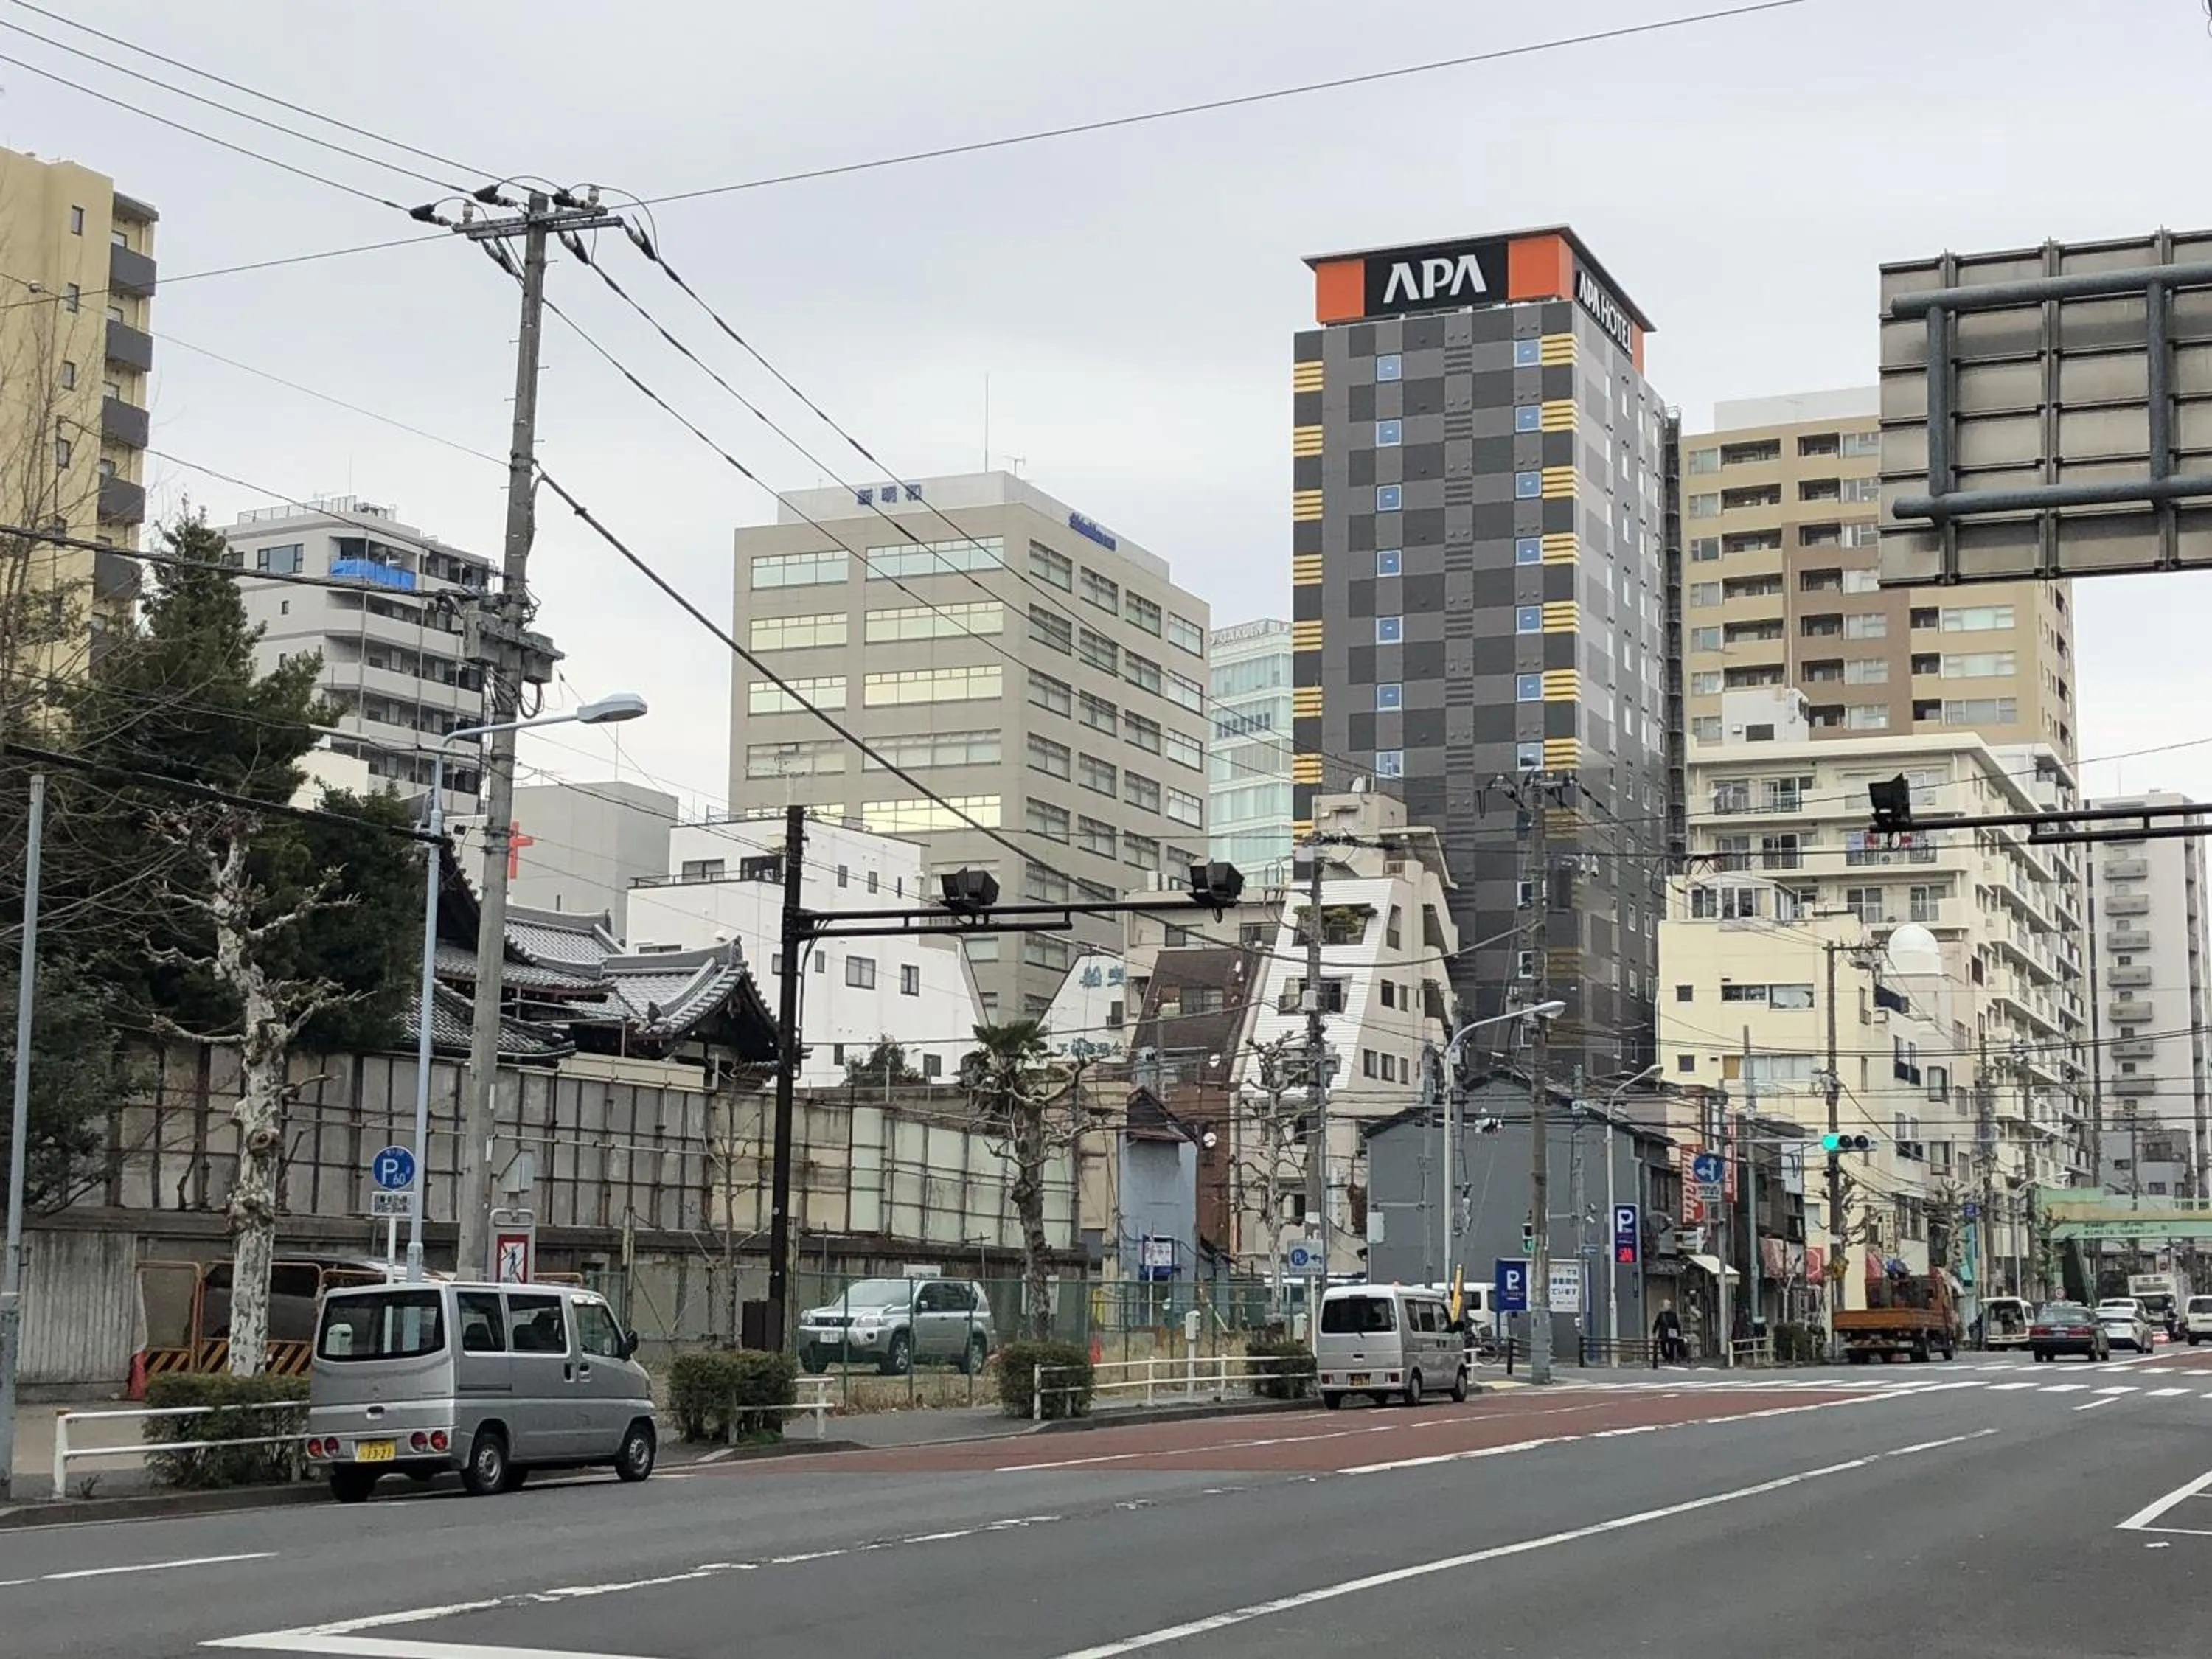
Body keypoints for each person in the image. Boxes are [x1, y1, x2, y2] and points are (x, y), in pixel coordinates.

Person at [1652, 1301, 1683, 1365]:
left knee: (1671, 1345)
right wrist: (1654, 1332)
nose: (1668, 1306)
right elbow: (1656, 1323)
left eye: (1669, 1305)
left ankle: (1671, 1358)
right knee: (1662, 1345)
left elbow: (1677, 1325)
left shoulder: (1673, 1315)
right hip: (1663, 1333)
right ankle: (1666, 1356)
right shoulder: (1661, 1314)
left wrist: (1679, 1334)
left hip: (1671, 1332)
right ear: (1664, 1306)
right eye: (1667, 1305)